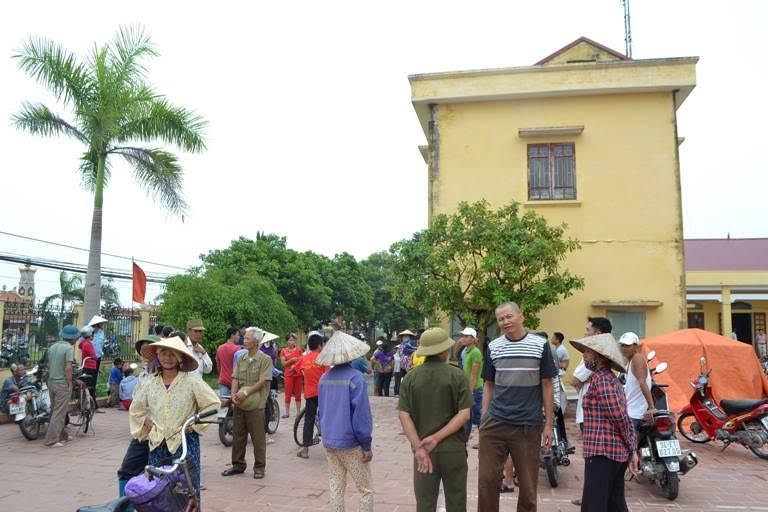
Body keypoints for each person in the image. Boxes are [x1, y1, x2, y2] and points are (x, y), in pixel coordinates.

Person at [477, 302, 557, 512]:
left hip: (527, 425)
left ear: (521, 316)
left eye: (509, 316)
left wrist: (548, 423)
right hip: (495, 423)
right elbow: (489, 384)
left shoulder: (540, 345)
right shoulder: (494, 346)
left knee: (529, 488)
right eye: (501, 319)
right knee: (486, 482)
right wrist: (484, 418)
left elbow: (547, 384)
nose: (505, 322)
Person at [130, 336, 219, 502]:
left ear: (179, 358)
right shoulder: (150, 382)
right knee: (158, 488)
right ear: (158, 356)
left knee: (187, 488)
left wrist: (194, 424)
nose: (167, 358)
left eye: (172, 355)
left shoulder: (191, 381)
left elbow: (212, 404)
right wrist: (145, 422)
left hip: (185, 442)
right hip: (158, 443)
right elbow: (136, 409)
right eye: (163, 353)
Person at [398, 327, 471, 512]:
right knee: (456, 502)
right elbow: (464, 414)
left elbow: (404, 415)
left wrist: (418, 447)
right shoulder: (457, 375)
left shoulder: (410, 377)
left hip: (423, 451)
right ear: (445, 350)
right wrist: (437, 438)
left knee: (425, 503)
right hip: (453, 450)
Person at [570, 333, 638, 511]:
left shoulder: (602, 380)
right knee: (614, 504)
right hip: (611, 453)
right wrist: (630, 449)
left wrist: (632, 449)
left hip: (603, 453)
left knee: (595, 505)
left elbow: (620, 418)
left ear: (600, 357)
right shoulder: (606, 378)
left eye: (587, 351)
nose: (584, 355)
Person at [317, 330, 375, 512]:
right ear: (351, 354)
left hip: (329, 442)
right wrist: (366, 444)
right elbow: (361, 415)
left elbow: (321, 411)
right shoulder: (355, 377)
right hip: (351, 444)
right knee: (365, 489)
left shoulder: (324, 378)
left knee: (336, 487)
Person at [221, 327, 273, 479]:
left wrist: (245, 393)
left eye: (247, 339)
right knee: (238, 435)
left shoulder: (265, 359)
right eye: (244, 338)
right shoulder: (241, 358)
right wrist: (233, 396)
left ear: (256, 342)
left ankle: (259, 467)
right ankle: (237, 465)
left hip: (256, 404)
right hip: (240, 403)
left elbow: (263, 381)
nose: (244, 340)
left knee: (258, 438)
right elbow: (235, 378)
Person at [117, 334, 160, 498]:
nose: (145, 352)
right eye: (143, 349)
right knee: (127, 470)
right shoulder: (143, 374)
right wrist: (142, 418)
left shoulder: (165, 373)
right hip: (143, 432)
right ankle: (123, 506)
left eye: (150, 348)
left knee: (159, 476)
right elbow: (136, 402)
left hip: (162, 433)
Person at [571, 317, 612, 432]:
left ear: (597, 334)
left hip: (589, 414)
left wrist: (586, 380)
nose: (585, 333)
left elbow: (575, 381)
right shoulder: (604, 352)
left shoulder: (596, 354)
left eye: (588, 330)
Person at [43, 324, 78, 447]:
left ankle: (63, 435)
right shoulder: (69, 349)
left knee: (57, 411)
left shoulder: (52, 347)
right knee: (59, 413)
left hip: (51, 382)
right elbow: (68, 368)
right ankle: (51, 440)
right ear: (73, 338)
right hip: (61, 383)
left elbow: (48, 366)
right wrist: (69, 383)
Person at [296, 331, 328, 459]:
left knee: (308, 420)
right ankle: (330, 450)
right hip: (323, 393)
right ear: (320, 345)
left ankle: (305, 450)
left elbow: (295, 369)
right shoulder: (323, 359)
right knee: (326, 419)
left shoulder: (304, 358)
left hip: (310, 394)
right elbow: (327, 376)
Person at [617, 332, 655, 429]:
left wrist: (651, 407)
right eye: (622, 345)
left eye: (628, 346)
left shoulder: (637, 358)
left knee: (629, 443)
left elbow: (642, 383)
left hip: (635, 412)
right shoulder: (630, 361)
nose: (624, 348)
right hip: (631, 410)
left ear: (635, 346)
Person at [457, 327, 483, 443]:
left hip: (476, 389)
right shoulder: (465, 350)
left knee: (478, 416)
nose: (463, 338)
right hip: (467, 388)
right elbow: (459, 360)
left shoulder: (476, 353)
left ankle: (482, 440)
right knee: (466, 415)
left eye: (467, 336)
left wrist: (470, 391)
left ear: (473, 339)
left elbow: (474, 374)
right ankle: (464, 439)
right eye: (463, 336)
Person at [87, 314, 108, 412]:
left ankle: (93, 405)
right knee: (89, 382)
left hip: (97, 358)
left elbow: (100, 345)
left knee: (94, 382)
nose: (102, 325)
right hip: (89, 359)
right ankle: (89, 404)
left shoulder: (101, 332)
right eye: (100, 323)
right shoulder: (87, 332)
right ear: (96, 324)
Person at [279, 333, 303, 419]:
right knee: (288, 393)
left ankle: (298, 412)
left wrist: (295, 366)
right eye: (290, 340)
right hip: (288, 374)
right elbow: (283, 364)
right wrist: (291, 361)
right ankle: (287, 412)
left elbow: (301, 360)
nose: (292, 342)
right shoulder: (283, 351)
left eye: (293, 340)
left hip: (298, 374)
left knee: (298, 393)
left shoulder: (299, 350)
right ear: (287, 341)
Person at [78, 325, 100, 408]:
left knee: (85, 385)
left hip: (85, 366)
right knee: (90, 387)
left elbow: (80, 346)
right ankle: (91, 405)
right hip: (90, 367)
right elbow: (94, 355)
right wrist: (96, 358)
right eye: (92, 335)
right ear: (90, 335)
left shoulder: (83, 343)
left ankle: (87, 404)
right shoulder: (88, 344)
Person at [216, 327, 241, 398]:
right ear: (232, 336)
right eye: (238, 335)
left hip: (223, 380)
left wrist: (221, 375)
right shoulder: (237, 349)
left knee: (224, 404)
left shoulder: (220, 348)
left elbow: (218, 364)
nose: (239, 337)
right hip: (235, 381)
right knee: (236, 404)